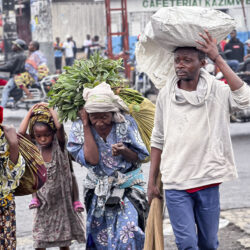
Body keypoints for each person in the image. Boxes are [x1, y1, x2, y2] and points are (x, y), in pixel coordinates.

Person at [147, 30, 250, 250]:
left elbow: (245, 100)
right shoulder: (166, 94)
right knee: (186, 244)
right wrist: (152, 180)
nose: (180, 65)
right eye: (177, 60)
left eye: (187, 60)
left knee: (209, 244)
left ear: (202, 63)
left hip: (208, 179)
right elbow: (158, 138)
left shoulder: (217, 92)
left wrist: (218, 58)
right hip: (176, 182)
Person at [67, 82, 149, 249]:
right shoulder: (79, 128)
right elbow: (92, 160)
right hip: (98, 191)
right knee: (100, 237)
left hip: (128, 187)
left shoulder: (125, 124)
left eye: (104, 116)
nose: (99, 123)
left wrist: (124, 151)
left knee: (129, 232)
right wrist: (85, 125)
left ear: (113, 113)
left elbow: (139, 156)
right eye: (94, 117)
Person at [18, 103, 85, 249]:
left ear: (53, 133)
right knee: (39, 241)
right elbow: (21, 135)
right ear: (34, 136)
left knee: (64, 241)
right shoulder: (34, 147)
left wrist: (50, 109)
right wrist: (30, 112)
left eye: (47, 135)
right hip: (42, 203)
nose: (43, 139)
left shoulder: (59, 145)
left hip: (62, 201)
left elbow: (60, 127)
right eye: (39, 136)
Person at [0, 106, 26, 248]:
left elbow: (13, 174)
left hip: (4, 206)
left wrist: (14, 145)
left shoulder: (4, 138)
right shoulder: (5, 137)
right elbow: (14, 175)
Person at [0, 39, 27, 108]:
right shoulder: (21, 55)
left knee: (6, 90)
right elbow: (9, 64)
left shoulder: (17, 56)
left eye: (14, 45)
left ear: (18, 47)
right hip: (20, 76)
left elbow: (9, 66)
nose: (12, 46)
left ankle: (2, 107)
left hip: (15, 76)